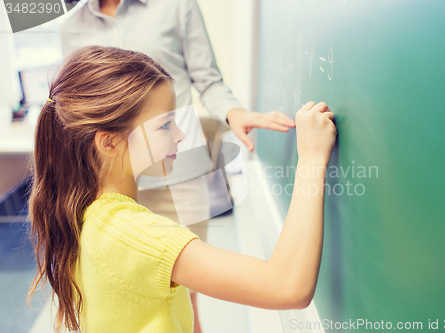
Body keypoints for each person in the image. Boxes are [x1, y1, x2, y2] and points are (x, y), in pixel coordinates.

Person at [26, 46, 336, 333]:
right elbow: (286, 286)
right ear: (108, 142)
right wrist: (310, 159)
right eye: (165, 125)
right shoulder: (137, 234)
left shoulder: (87, 212)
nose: (180, 134)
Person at [60, 3, 296, 329]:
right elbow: (72, 103)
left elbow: (208, 79)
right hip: (108, 174)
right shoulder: (70, 27)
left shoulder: (176, 6)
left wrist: (233, 113)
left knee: (186, 287)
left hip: (180, 171)